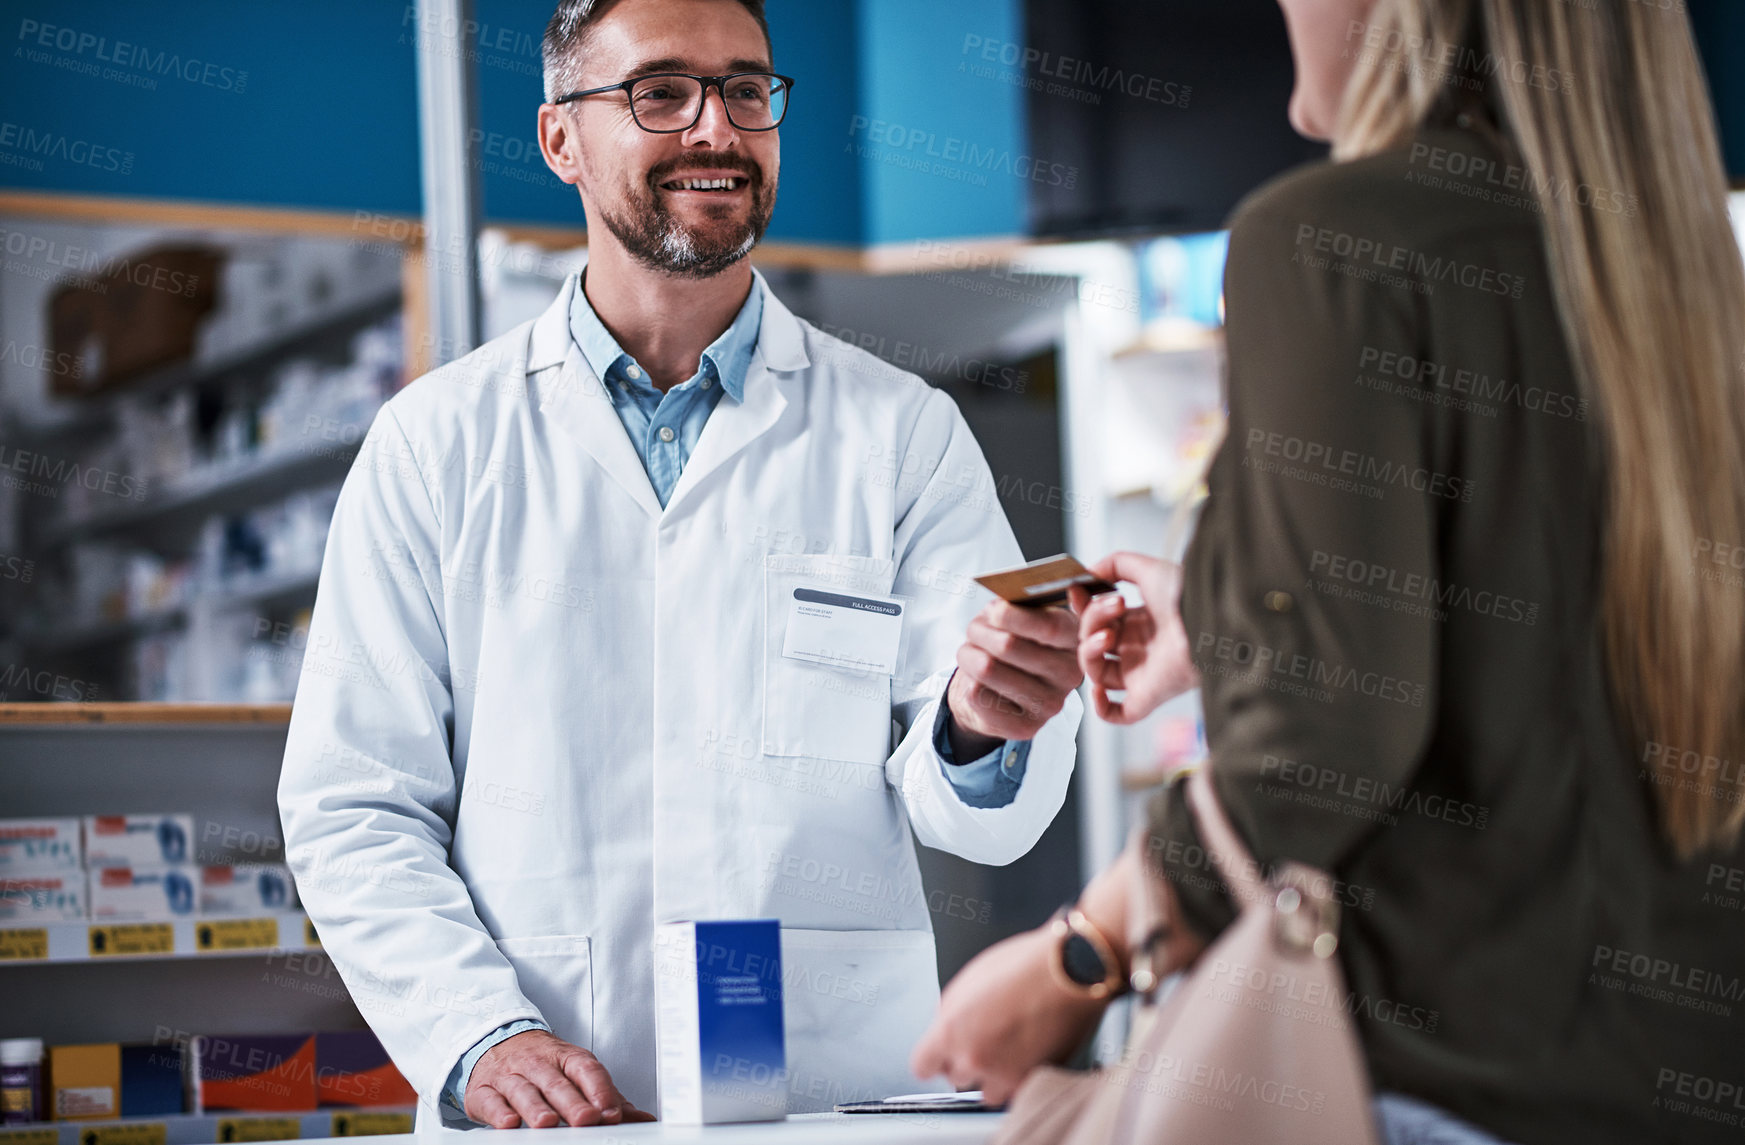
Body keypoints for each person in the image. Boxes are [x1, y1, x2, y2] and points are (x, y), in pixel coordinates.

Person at [913, 1, 1745, 1143]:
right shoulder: (1679, 288)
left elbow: (1318, 737)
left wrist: (1078, 954)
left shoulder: (1325, 238)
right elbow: (1540, 643)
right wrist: (1224, 623)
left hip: (1432, 1089)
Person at [278, 0, 1085, 1130]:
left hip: (825, 1091)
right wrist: (478, 1032)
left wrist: (982, 723)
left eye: (746, 91)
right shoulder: (436, 445)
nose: (717, 127)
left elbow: (974, 803)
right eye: (661, 92)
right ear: (560, 138)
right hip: (550, 1097)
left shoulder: (899, 433)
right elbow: (352, 801)